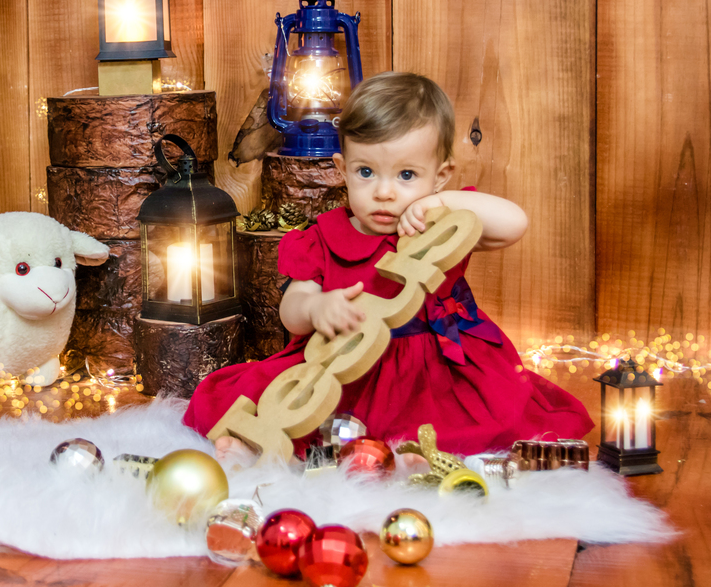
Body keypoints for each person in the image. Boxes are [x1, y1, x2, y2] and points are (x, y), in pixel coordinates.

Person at [183, 71, 593, 462]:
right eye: (366, 172)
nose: (384, 192)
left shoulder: (440, 225)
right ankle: (261, 446)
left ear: (440, 176)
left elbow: (513, 223)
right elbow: (292, 310)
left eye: (407, 175)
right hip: (346, 368)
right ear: (342, 170)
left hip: (433, 370)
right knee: (273, 405)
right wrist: (316, 307)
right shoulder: (323, 237)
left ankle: (415, 460)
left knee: (470, 424)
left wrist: (440, 203)